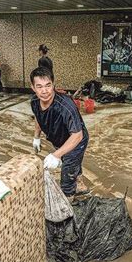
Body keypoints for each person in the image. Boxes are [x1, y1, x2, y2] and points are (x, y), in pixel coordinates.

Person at [30, 67, 89, 202]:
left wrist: (56, 155)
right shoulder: (34, 101)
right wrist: (36, 137)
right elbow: (38, 118)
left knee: (67, 174)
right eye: (39, 87)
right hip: (59, 140)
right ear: (33, 87)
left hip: (76, 141)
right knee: (71, 164)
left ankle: (66, 203)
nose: (44, 91)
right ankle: (80, 185)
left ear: (53, 85)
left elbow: (77, 135)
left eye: (48, 85)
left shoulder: (66, 105)